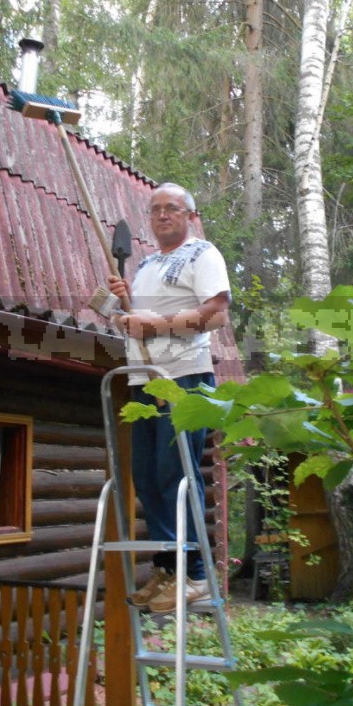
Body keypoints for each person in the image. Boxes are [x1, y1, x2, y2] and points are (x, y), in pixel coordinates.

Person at [107, 182, 231, 614]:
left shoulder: (203, 254)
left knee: (175, 474)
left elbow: (215, 313)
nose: (162, 215)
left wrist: (154, 323)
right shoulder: (145, 267)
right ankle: (169, 567)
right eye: (156, 209)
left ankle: (195, 574)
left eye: (172, 208)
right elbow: (134, 323)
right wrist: (120, 306)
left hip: (185, 379)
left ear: (190, 216)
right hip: (145, 381)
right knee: (147, 476)